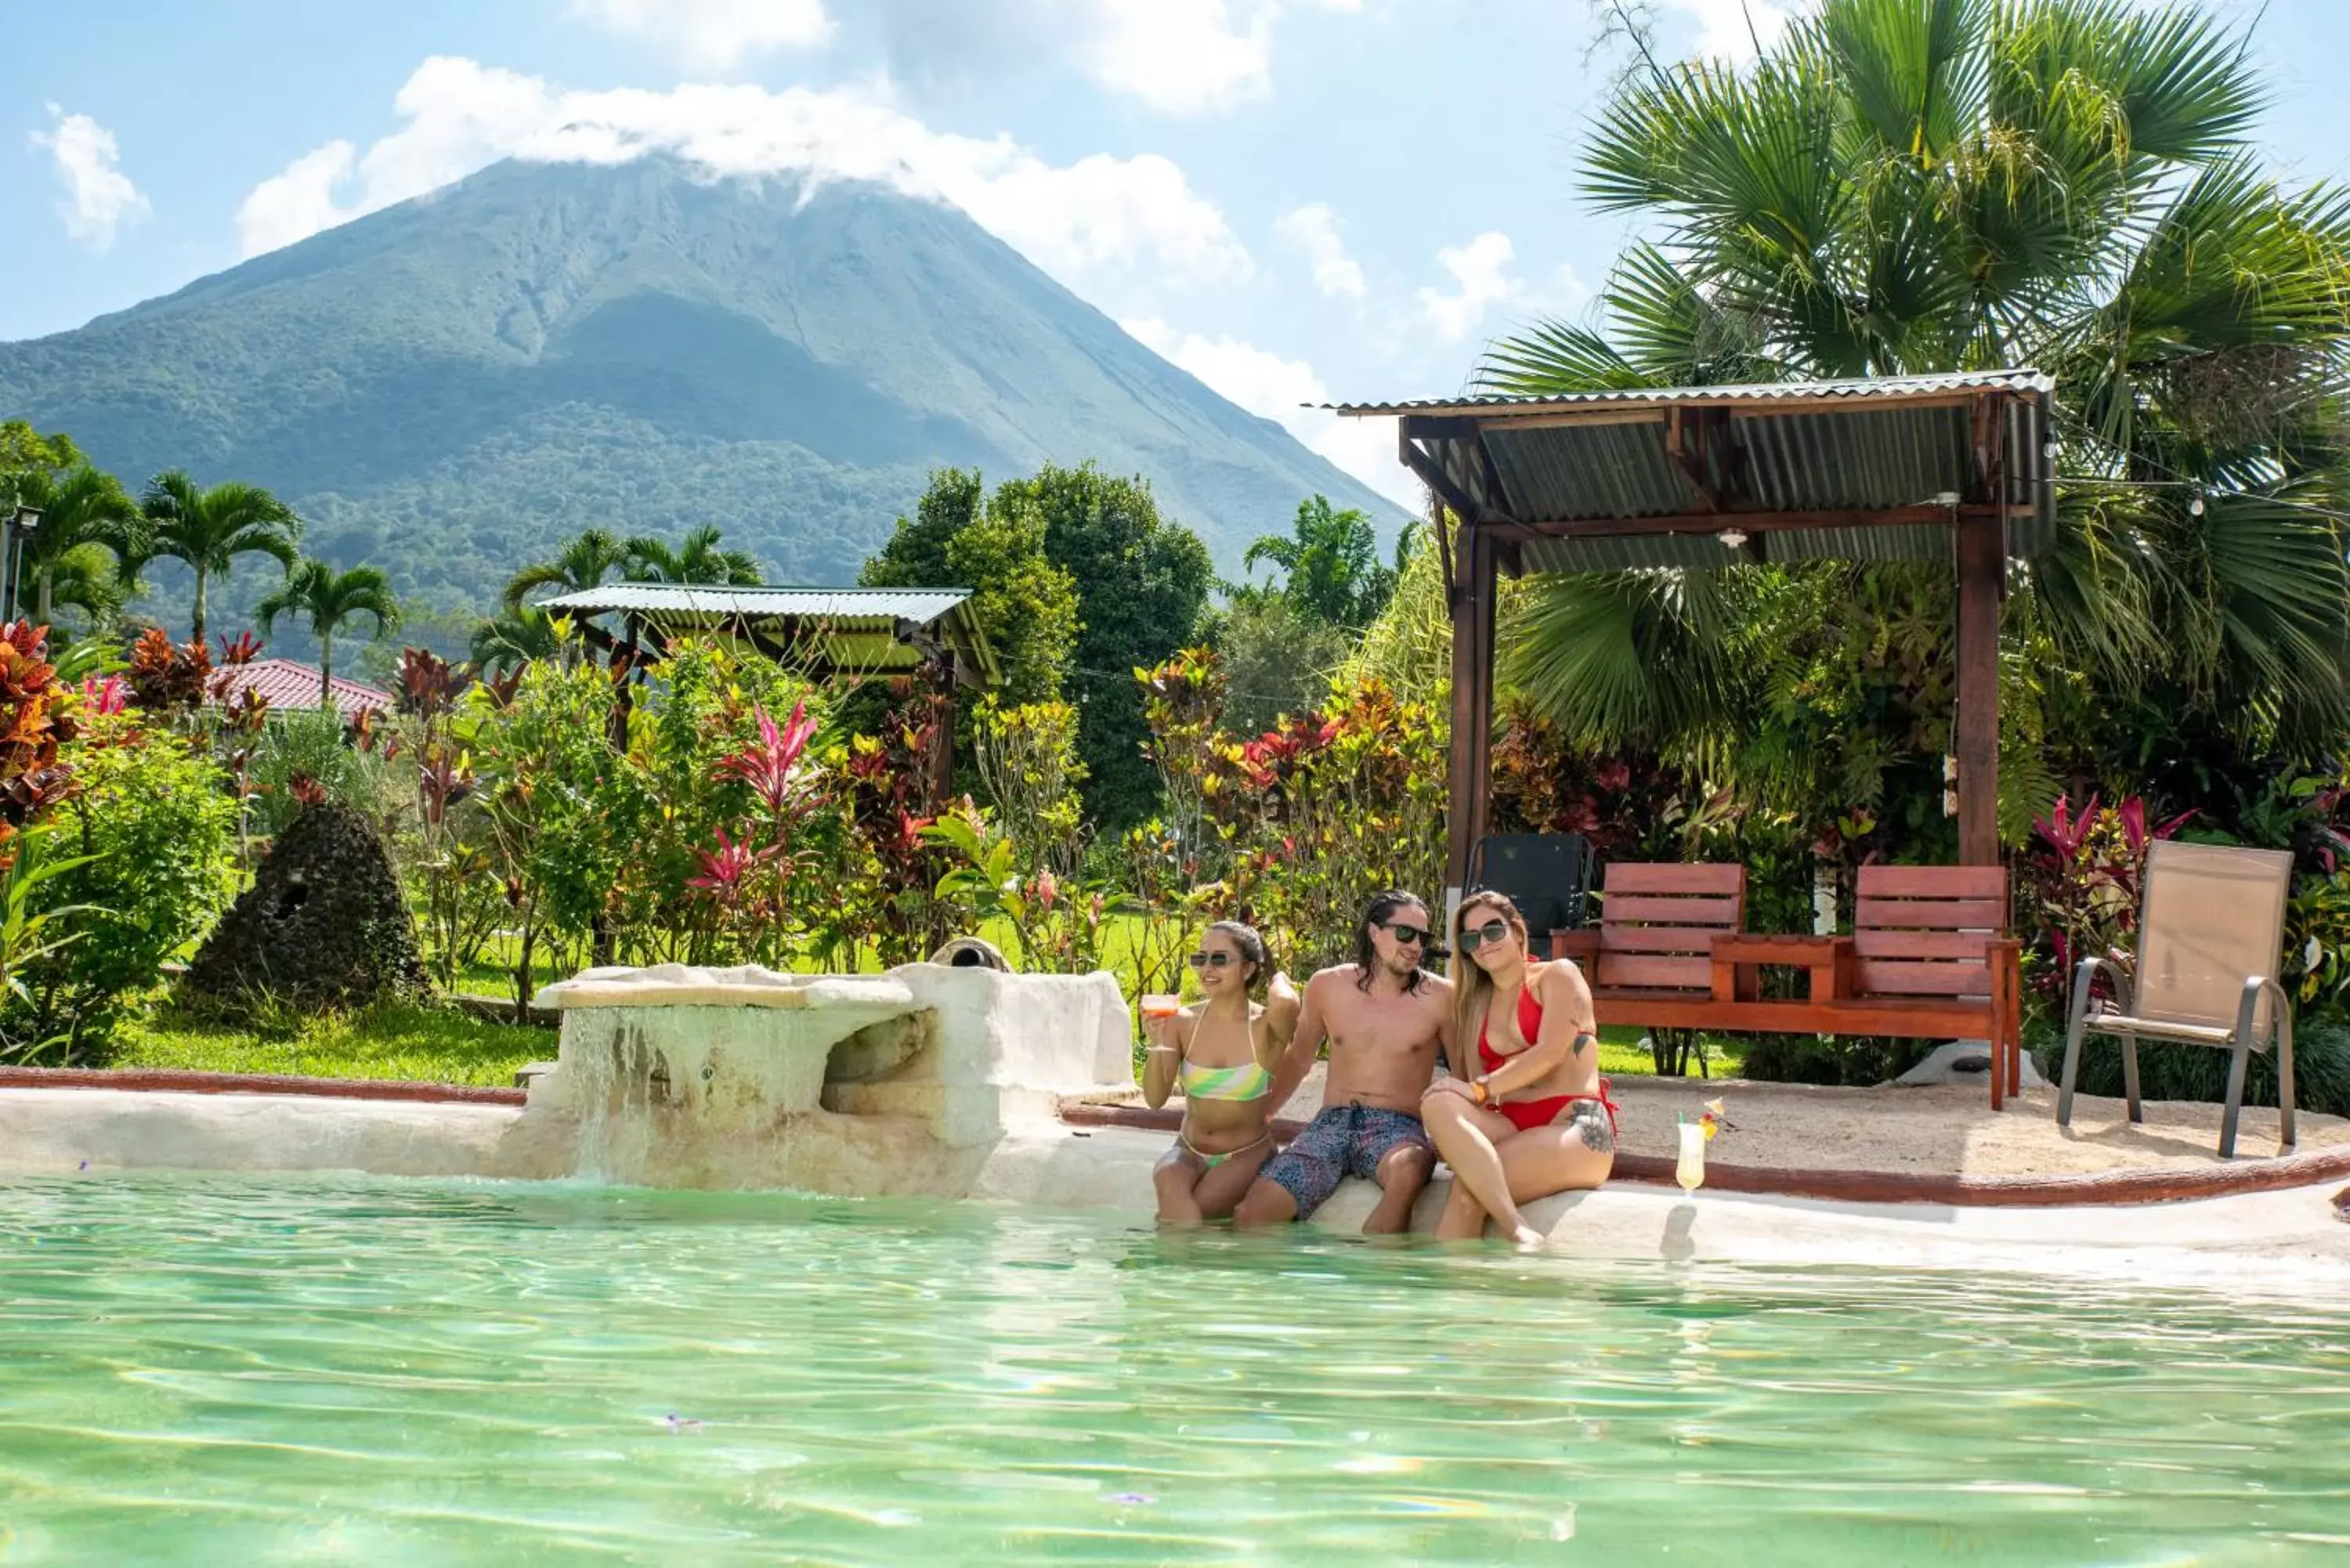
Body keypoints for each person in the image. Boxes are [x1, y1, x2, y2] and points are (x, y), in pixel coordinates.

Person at [1232, 891, 1452, 1234]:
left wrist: (1456, 1140)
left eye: (1423, 938)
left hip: (1396, 1128)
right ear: (1374, 932)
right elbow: (1300, 1058)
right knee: (1252, 1214)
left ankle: (1373, 1273)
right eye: (1406, 933)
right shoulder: (1327, 985)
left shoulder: (1441, 997)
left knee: (1411, 1167)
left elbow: (1465, 1074)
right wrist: (1263, 1115)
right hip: (1331, 1123)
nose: (1415, 946)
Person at [1420, 890, 1617, 1247]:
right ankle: (1448, 1296)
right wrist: (1456, 1139)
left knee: (1469, 1191)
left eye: (1493, 931)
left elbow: (1550, 1053)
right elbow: (1469, 1089)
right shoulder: (1475, 1003)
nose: (1483, 943)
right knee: (1437, 1100)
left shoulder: (1557, 975)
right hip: (1509, 1123)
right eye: (1470, 938)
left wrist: (1480, 1088)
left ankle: (1512, 1229)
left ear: (1518, 931)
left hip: (1574, 1124)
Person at [1140, 921, 1298, 1225]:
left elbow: (1288, 1003)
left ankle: (1166, 1266)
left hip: (1245, 1154)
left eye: (1220, 959)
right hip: (1189, 1149)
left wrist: (1278, 977)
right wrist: (1157, 1043)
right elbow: (1155, 1099)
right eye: (1201, 958)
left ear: (1249, 969)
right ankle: (1177, 1264)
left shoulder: (1265, 1028)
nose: (1207, 968)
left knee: (1192, 1211)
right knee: (1167, 1173)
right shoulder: (1182, 1022)